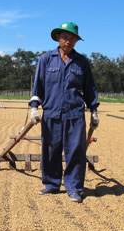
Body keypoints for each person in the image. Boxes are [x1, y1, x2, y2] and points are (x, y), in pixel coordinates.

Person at [29, 22, 99, 203]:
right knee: (51, 150)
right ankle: (51, 184)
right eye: (64, 37)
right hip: (52, 113)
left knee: (76, 151)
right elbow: (38, 85)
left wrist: (94, 111)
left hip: (75, 114)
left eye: (72, 38)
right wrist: (34, 107)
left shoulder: (82, 62)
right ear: (58, 38)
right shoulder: (46, 59)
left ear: (77, 40)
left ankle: (74, 188)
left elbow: (89, 88)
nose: (68, 41)